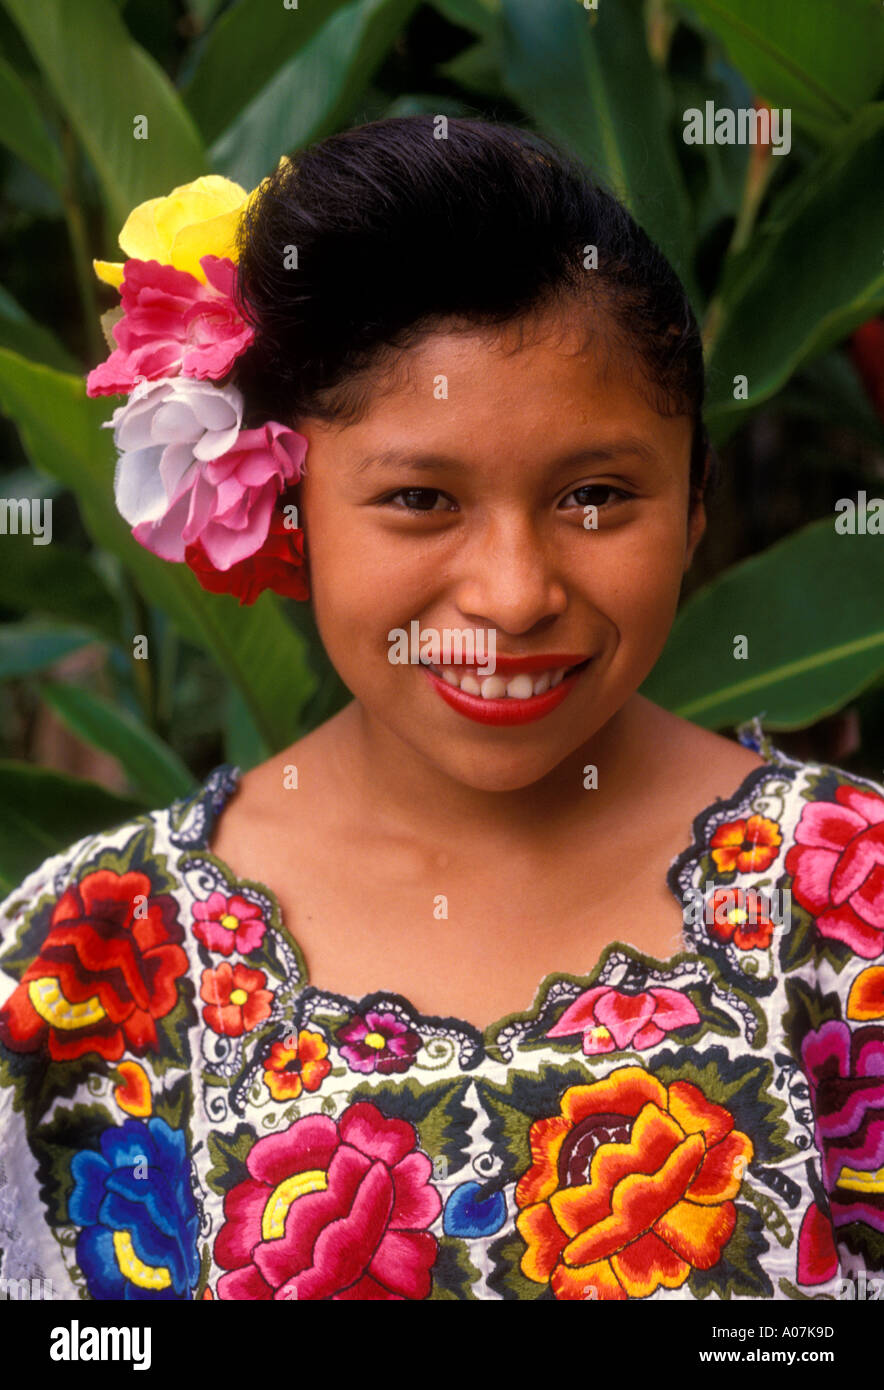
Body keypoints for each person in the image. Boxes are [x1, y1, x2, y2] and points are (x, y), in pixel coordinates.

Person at [1, 116, 882, 1303]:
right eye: (419, 497)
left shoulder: (850, 910)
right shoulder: (89, 965)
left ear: (693, 506)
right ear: (283, 505)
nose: (514, 593)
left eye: (595, 495)